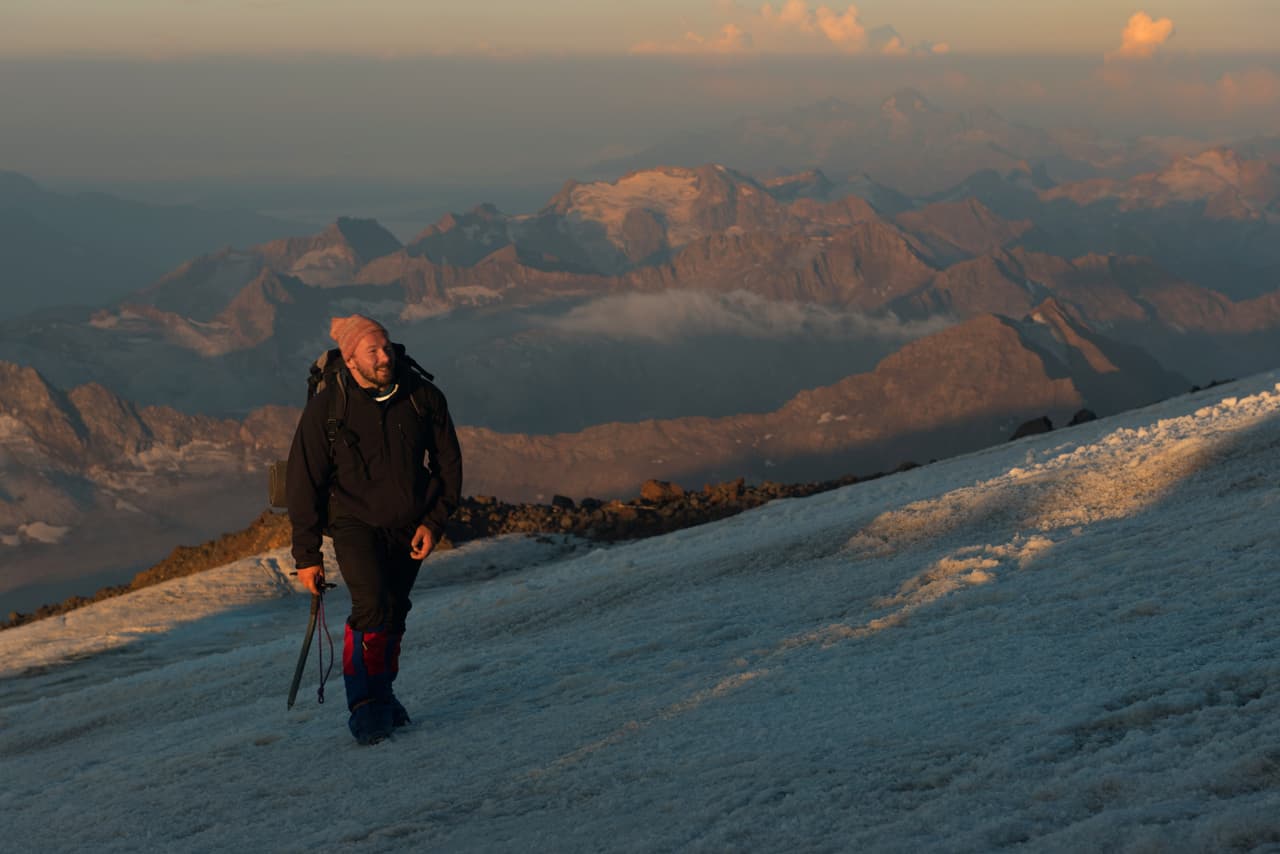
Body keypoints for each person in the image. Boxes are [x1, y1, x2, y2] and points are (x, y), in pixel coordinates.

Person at [286, 314, 463, 745]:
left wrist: (433, 522)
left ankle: (383, 696)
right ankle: (365, 707)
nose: (385, 356)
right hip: (353, 523)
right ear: (350, 360)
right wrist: (306, 557)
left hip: (411, 524)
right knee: (372, 608)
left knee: (395, 610)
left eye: (386, 346)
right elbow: (302, 480)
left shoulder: (423, 396)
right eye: (373, 351)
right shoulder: (326, 409)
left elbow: (449, 466)